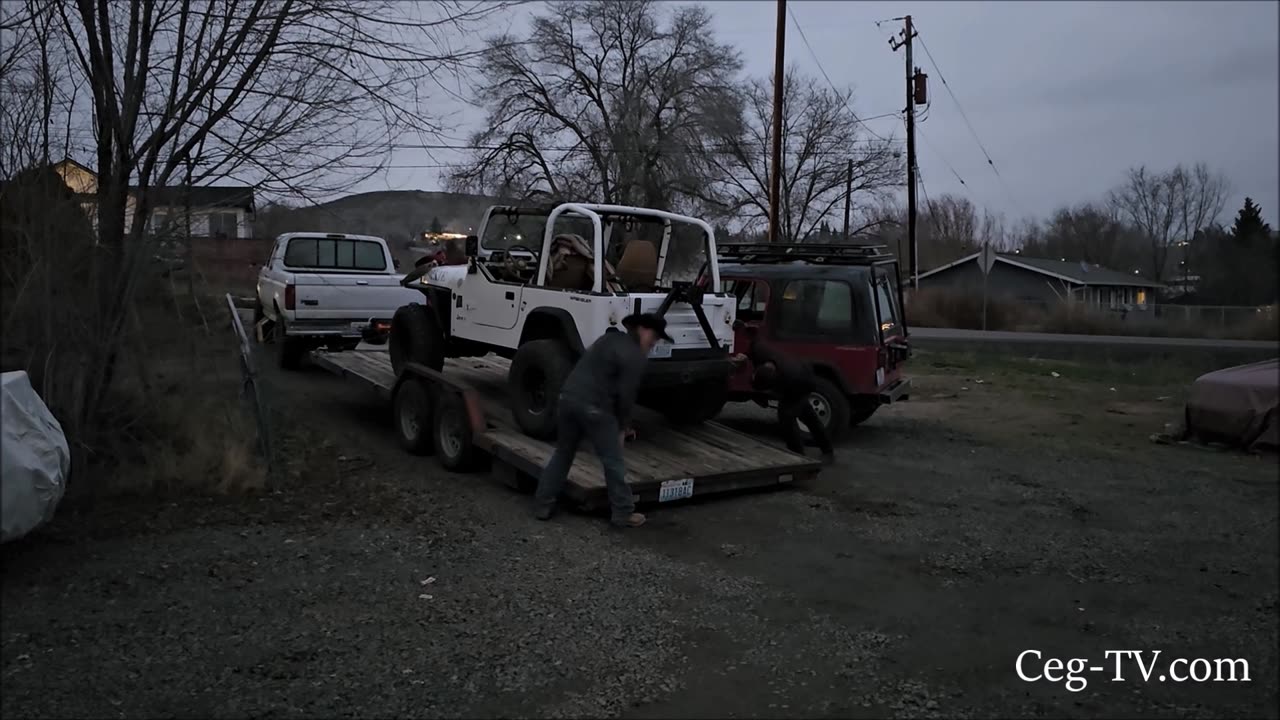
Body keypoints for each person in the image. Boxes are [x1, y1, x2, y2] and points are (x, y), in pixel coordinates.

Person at [533, 313, 671, 528]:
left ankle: (543, 504)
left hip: (567, 399)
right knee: (613, 461)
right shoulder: (634, 356)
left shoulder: (608, 339)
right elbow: (626, 396)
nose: (654, 342)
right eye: (654, 336)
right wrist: (623, 428)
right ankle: (623, 512)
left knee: (563, 453)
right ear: (642, 329)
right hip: (596, 408)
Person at [741, 328, 835, 463]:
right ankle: (827, 449)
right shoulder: (761, 350)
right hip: (798, 371)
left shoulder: (787, 381)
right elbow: (755, 340)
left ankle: (797, 455)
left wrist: (762, 397)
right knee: (807, 415)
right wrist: (745, 355)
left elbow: (782, 393)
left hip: (804, 382)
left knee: (787, 417)